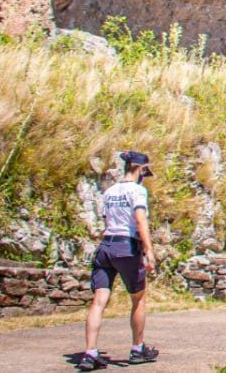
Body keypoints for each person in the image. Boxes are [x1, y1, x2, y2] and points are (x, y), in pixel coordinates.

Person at [78, 151, 159, 371]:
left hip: (106, 246)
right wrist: (149, 250)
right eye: (145, 172)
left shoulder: (109, 192)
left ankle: (90, 352)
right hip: (127, 246)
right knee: (138, 298)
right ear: (140, 169)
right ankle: (137, 348)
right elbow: (140, 221)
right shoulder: (138, 191)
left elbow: (107, 221)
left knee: (98, 301)